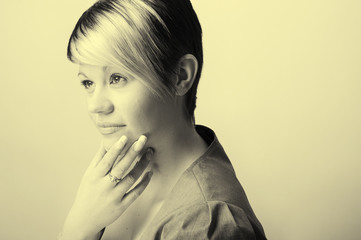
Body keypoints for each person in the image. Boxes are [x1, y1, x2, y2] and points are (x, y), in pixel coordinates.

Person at [59, 0, 267, 239]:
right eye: (88, 82)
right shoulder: (113, 185)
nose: (96, 106)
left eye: (117, 78)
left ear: (181, 76)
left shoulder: (207, 224)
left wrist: (74, 233)